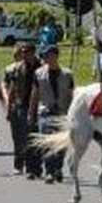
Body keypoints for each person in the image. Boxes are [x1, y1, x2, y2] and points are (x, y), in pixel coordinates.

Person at [30, 45, 74, 183]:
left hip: (62, 114)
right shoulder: (39, 74)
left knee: (61, 145)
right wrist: (31, 115)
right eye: (44, 56)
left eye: (48, 55)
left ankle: (57, 168)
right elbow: (34, 95)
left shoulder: (67, 74)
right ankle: (49, 171)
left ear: (55, 56)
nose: (45, 58)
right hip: (45, 113)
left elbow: (73, 94)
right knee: (48, 144)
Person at [2, 42, 41, 178]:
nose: (24, 55)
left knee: (33, 138)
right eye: (23, 52)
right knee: (18, 137)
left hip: (36, 107)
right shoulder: (18, 68)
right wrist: (9, 108)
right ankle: (18, 164)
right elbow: (12, 88)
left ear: (33, 53)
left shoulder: (41, 68)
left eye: (27, 52)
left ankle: (34, 168)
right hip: (19, 105)